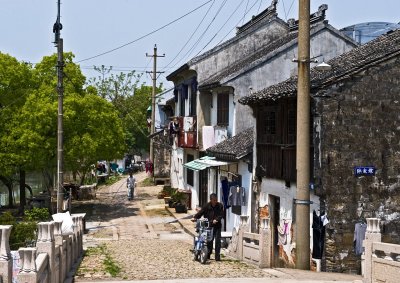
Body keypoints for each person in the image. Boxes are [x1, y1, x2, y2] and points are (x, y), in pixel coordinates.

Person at [191, 193, 224, 261]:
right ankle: (207, 255)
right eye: (214, 200)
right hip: (208, 225)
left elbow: (221, 215)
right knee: (209, 240)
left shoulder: (220, 205)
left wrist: (216, 219)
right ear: (210, 200)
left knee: (217, 241)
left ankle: (217, 257)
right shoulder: (206, 206)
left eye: (216, 200)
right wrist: (195, 218)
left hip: (217, 226)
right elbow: (200, 213)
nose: (215, 201)